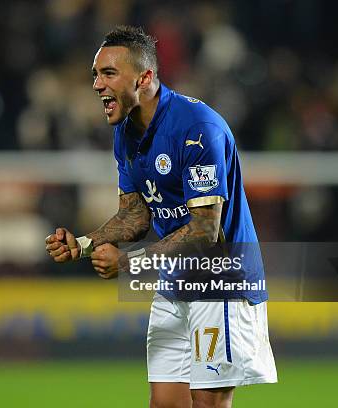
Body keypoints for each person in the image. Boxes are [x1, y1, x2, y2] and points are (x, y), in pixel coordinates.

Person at [45, 26, 277, 408]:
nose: (96, 85)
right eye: (95, 74)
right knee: (164, 404)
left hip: (220, 283)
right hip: (175, 281)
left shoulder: (197, 128)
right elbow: (135, 214)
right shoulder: (125, 132)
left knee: (207, 403)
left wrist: (131, 263)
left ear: (145, 78)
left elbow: (205, 230)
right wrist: (86, 245)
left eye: (108, 73)